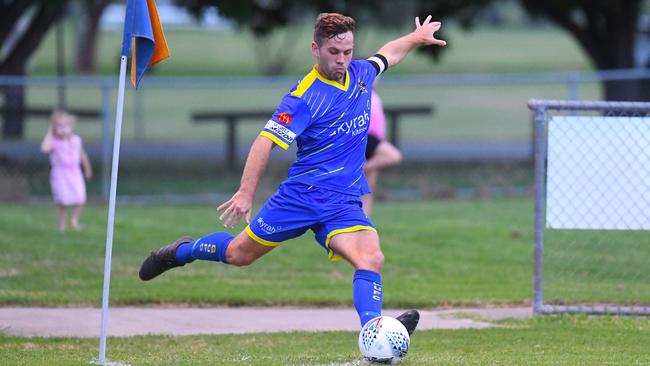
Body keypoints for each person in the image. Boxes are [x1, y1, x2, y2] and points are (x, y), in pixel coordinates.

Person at [139, 13, 445, 335]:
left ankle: (374, 332)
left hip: (342, 202)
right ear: (316, 48)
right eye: (334, 52)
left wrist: (415, 38)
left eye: (347, 52)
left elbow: (388, 54)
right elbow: (264, 142)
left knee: (371, 258)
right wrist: (245, 193)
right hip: (299, 198)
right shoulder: (303, 97)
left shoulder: (361, 74)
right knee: (238, 254)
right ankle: (182, 251)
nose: (342, 60)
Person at [40, 110, 93, 232]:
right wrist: (50, 132)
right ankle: (62, 226)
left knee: (80, 197)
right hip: (60, 174)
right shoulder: (53, 142)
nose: (63, 129)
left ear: (71, 126)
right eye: (59, 126)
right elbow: (44, 149)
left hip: (75, 172)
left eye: (65, 126)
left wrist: (87, 168)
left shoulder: (76, 140)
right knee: (62, 202)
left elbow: (82, 155)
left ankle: (74, 220)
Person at [362, 82, 403, 216]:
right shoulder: (360, 93)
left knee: (368, 189)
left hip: (375, 138)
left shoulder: (373, 94)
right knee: (394, 155)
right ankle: (359, 170)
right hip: (366, 137)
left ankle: (364, 220)